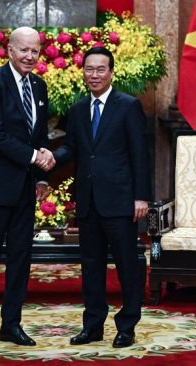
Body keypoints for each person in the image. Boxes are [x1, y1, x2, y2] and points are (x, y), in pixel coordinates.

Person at [52, 46, 151, 348]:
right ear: (83, 72)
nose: (94, 75)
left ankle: (127, 326)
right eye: (89, 69)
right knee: (91, 267)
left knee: (126, 267)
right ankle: (93, 325)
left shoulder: (128, 106)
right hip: (89, 201)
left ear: (111, 72)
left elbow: (140, 155)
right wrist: (49, 156)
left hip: (121, 201)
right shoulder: (79, 109)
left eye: (100, 69)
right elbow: (72, 148)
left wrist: (141, 197)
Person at [0, 26, 56, 348]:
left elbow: (39, 134)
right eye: (24, 50)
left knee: (21, 259)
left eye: (35, 51)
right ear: (9, 50)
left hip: (24, 187)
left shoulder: (39, 86)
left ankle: (11, 326)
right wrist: (35, 156)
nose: (30, 56)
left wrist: (43, 173)